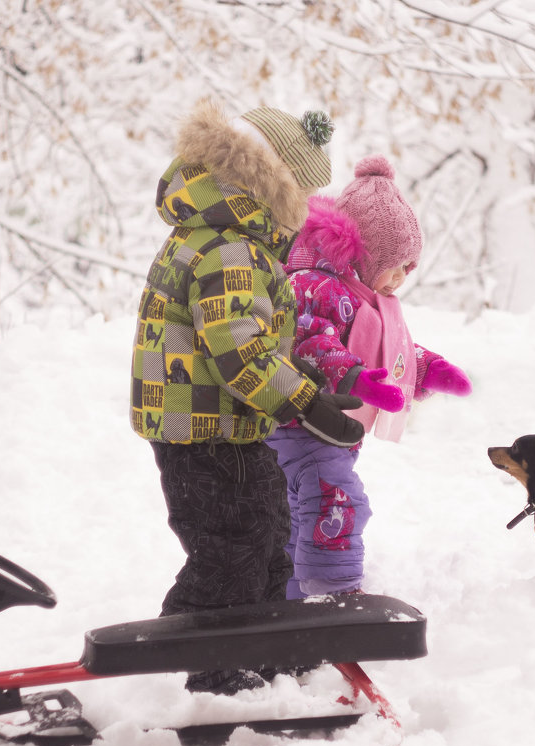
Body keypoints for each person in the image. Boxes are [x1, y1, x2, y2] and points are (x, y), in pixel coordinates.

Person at [129, 100, 365, 694]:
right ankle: (197, 666)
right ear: (277, 187)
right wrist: (303, 402)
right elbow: (236, 348)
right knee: (230, 550)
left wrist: (310, 381)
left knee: (268, 529)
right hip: (204, 433)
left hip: (221, 425)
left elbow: (249, 335)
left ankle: (269, 648)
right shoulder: (230, 247)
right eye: (301, 199)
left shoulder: (218, 232)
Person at [267, 155, 473, 600]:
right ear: (362, 254)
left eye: (409, 268)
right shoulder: (312, 285)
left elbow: (389, 352)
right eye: (394, 264)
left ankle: (286, 594)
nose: (401, 278)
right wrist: (356, 379)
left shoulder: (358, 296)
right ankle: (332, 592)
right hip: (299, 425)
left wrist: (428, 369)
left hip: (322, 431)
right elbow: (311, 342)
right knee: (336, 504)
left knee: (298, 515)